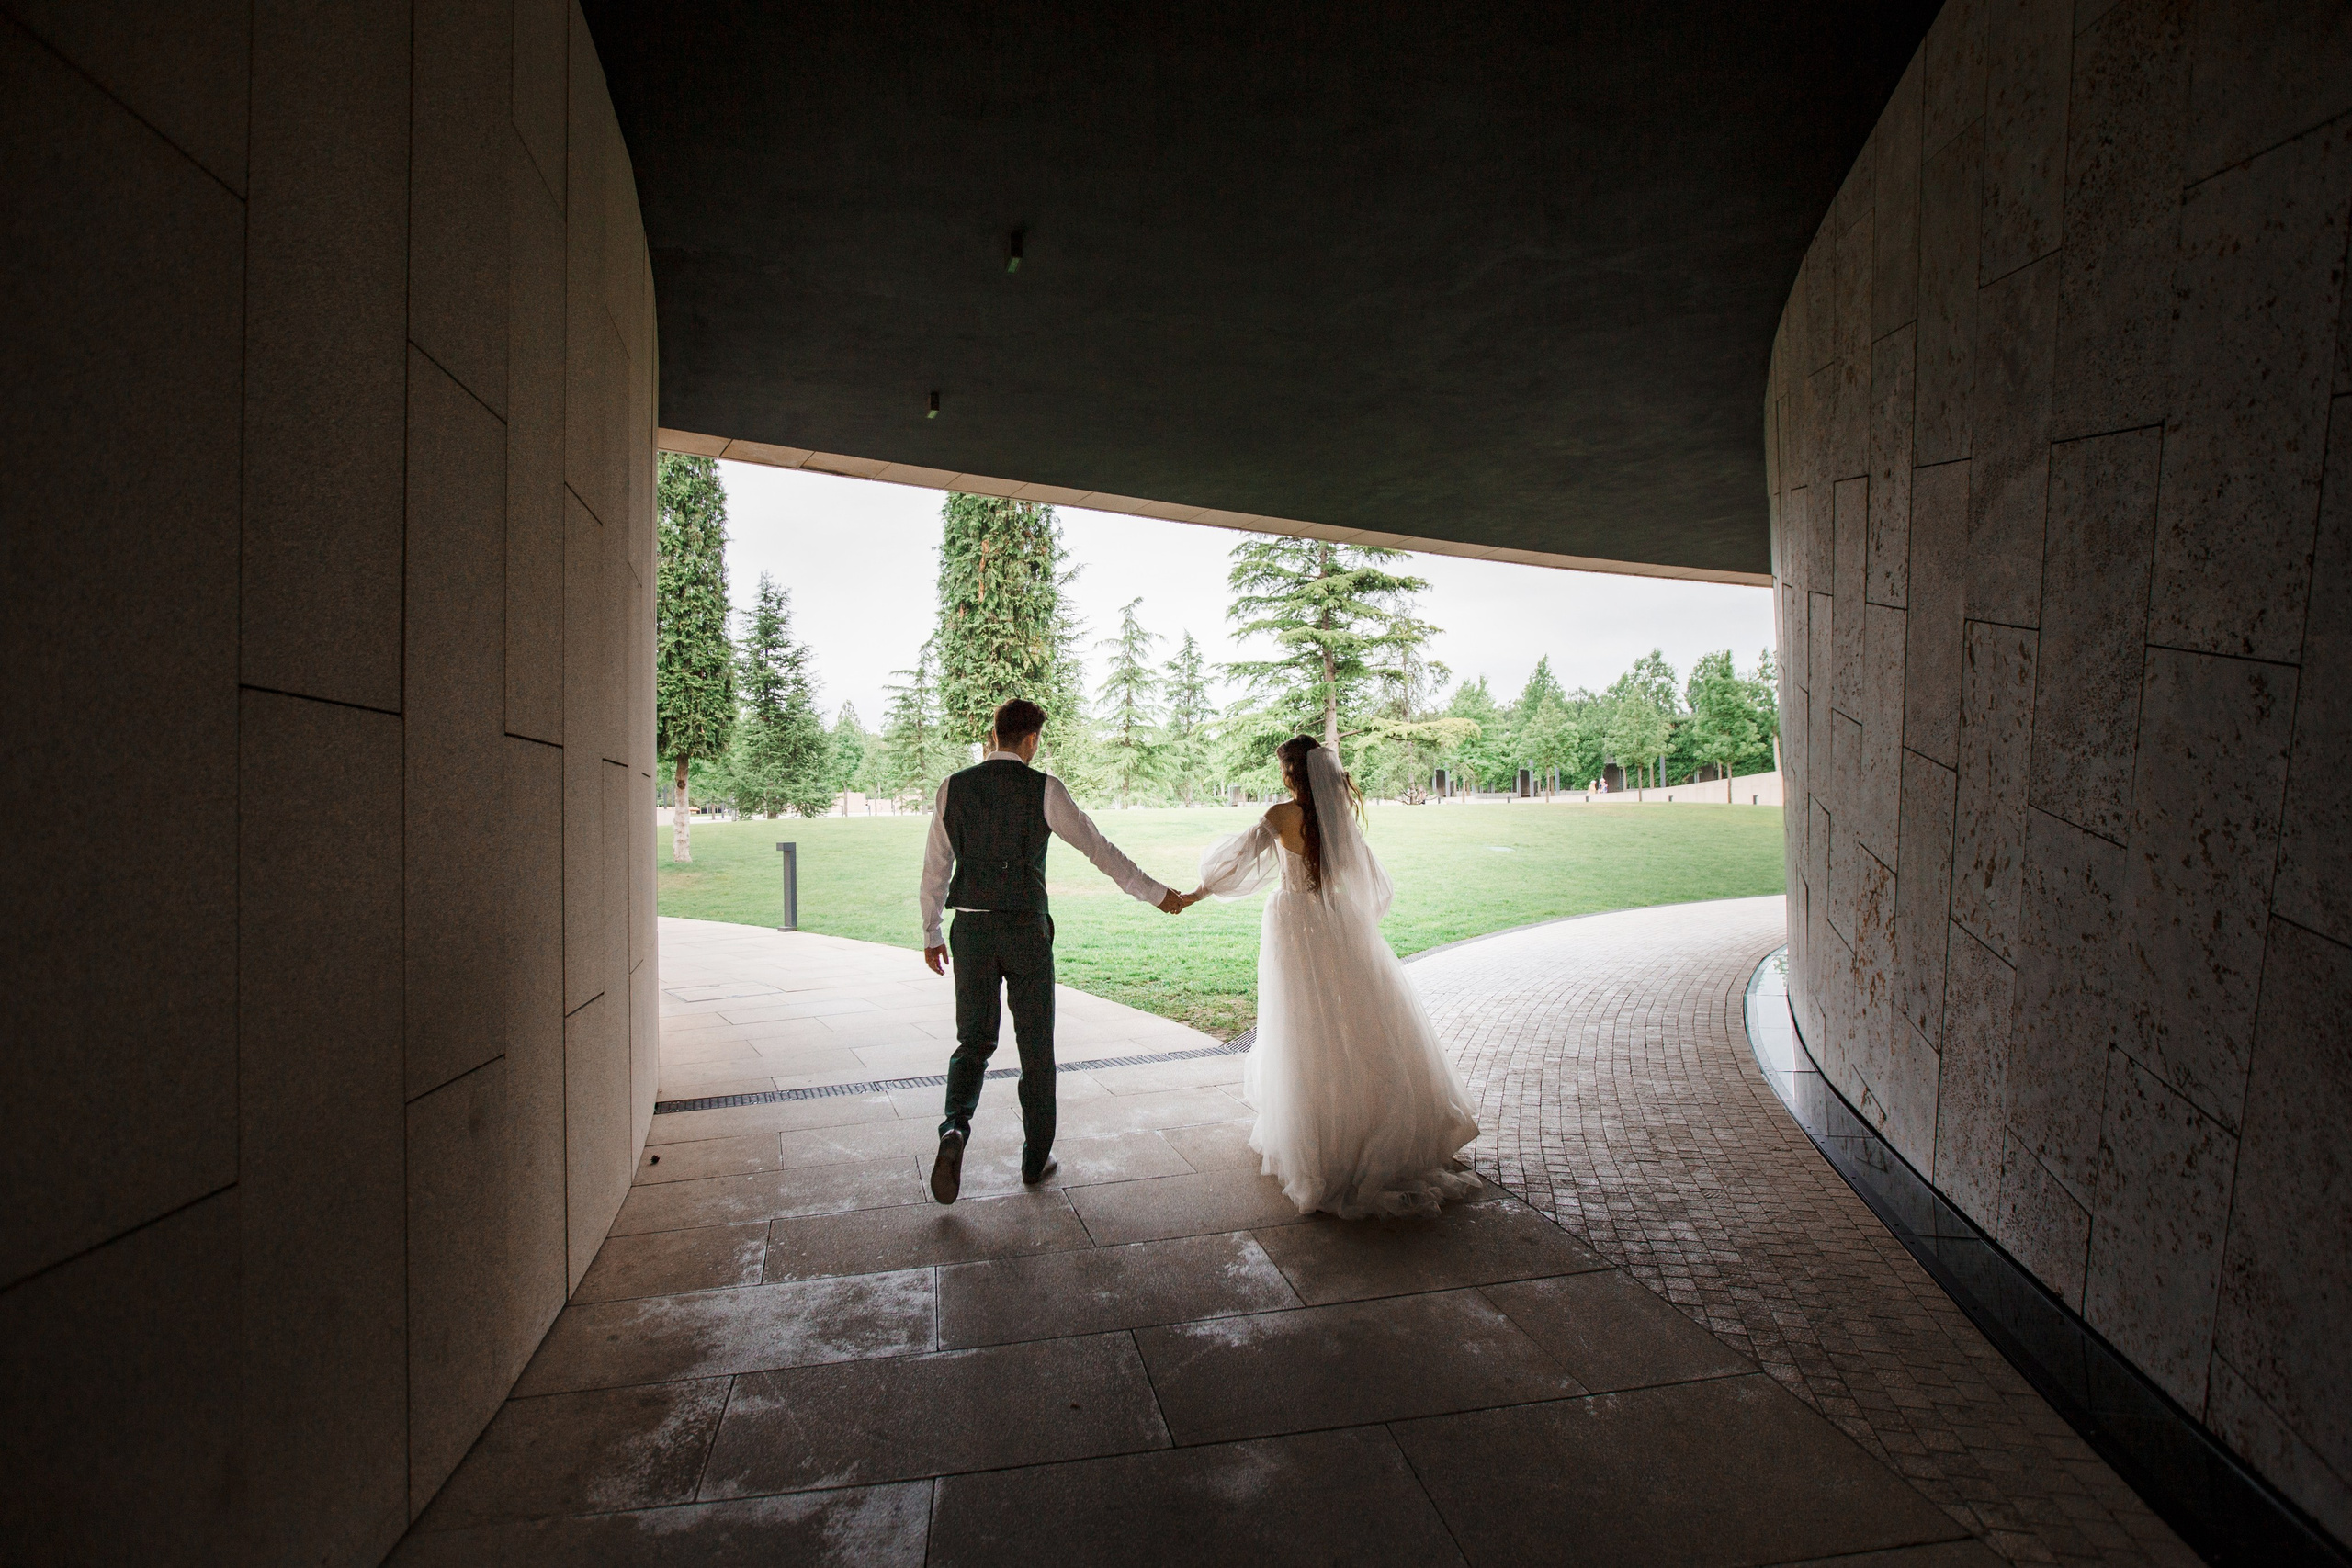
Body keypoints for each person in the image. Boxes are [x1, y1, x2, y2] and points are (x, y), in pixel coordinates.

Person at [1188, 735, 1482, 1218]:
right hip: (1338, 922)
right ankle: (1368, 1123)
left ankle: (1318, 1139)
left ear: (1292, 773)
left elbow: (1235, 864)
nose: (1281, 774)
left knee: (1302, 1023)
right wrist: (1351, 922)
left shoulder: (1280, 816)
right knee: (1362, 1022)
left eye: (1283, 767)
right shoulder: (1339, 817)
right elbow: (1378, 886)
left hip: (1293, 926)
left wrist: (1194, 894)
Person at [918, 697, 1195, 1203]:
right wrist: (1156, 894)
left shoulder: (952, 788)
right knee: (1035, 1045)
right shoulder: (1044, 788)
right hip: (1025, 929)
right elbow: (1099, 849)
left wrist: (932, 932)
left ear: (994, 734)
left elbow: (936, 866)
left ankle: (955, 1127)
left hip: (972, 930)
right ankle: (1034, 1157)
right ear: (1030, 740)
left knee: (974, 1041)